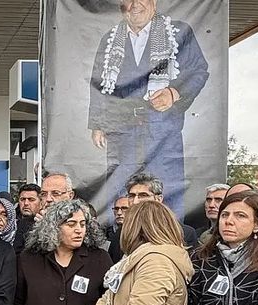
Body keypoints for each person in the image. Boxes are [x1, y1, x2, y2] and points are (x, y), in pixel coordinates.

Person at [88, 0, 209, 219]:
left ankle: (168, 246)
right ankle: (125, 246)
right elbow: (98, 84)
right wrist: (98, 123)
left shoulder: (178, 32)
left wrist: (174, 93)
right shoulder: (109, 40)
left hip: (162, 132)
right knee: (122, 195)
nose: (134, 5)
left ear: (153, 2)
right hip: (122, 132)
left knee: (166, 194)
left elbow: (198, 70)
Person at [108, 172, 198, 263]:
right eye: (131, 196)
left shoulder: (183, 232)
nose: (135, 201)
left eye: (143, 195)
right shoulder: (121, 233)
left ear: (158, 199)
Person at [13, 183, 41, 253]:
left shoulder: (45, 226)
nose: (26, 203)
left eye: (31, 199)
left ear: (41, 202)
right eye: (22, 199)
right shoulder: (10, 224)